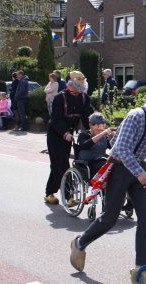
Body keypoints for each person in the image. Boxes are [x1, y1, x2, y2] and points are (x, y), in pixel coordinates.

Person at [69, 81, 146, 281]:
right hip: (119, 167)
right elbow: (122, 149)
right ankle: (79, 244)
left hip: (138, 167)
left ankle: (143, 267)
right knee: (109, 218)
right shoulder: (135, 117)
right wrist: (139, 173)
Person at [44, 71, 92, 205]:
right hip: (56, 134)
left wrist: (94, 129)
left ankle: (49, 193)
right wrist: (65, 133)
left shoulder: (84, 98)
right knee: (61, 164)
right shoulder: (60, 97)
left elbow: (87, 116)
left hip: (69, 134)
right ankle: (69, 196)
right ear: (71, 82)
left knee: (58, 163)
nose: (83, 82)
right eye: (79, 79)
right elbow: (56, 119)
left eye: (83, 79)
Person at [77, 112, 115, 177]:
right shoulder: (83, 135)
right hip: (87, 165)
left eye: (102, 125)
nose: (100, 128)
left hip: (101, 162)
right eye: (97, 126)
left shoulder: (104, 137)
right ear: (90, 125)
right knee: (107, 165)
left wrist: (114, 136)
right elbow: (85, 145)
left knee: (116, 165)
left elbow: (114, 148)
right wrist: (102, 134)